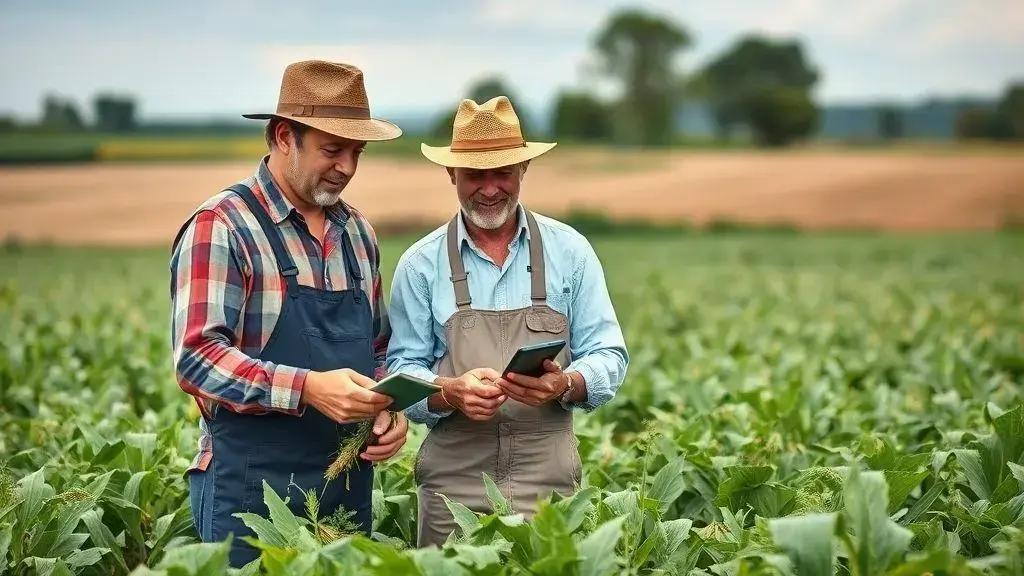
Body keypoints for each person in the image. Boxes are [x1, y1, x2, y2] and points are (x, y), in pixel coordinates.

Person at [169, 60, 408, 566]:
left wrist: (387, 406)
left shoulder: (358, 234)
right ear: (284, 137)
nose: (347, 167)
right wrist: (308, 388)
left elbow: (378, 346)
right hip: (249, 489)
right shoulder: (224, 226)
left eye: (357, 152)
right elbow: (196, 359)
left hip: (344, 490)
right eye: (333, 149)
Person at [386, 96, 629, 546]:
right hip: (452, 482)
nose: (490, 188)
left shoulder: (570, 252)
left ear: (523, 169)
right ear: (451, 174)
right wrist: (449, 392)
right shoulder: (420, 264)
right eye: (475, 175)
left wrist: (566, 383)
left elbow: (609, 354)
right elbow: (401, 369)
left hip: (548, 478)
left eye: (502, 173)